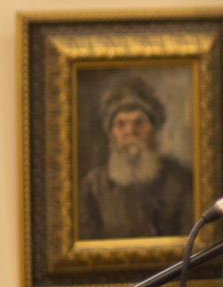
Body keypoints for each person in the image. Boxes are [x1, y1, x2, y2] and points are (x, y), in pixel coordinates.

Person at [76, 81, 195, 239]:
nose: (130, 131)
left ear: (153, 128)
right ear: (111, 133)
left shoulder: (179, 180)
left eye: (139, 122)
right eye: (121, 124)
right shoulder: (93, 186)